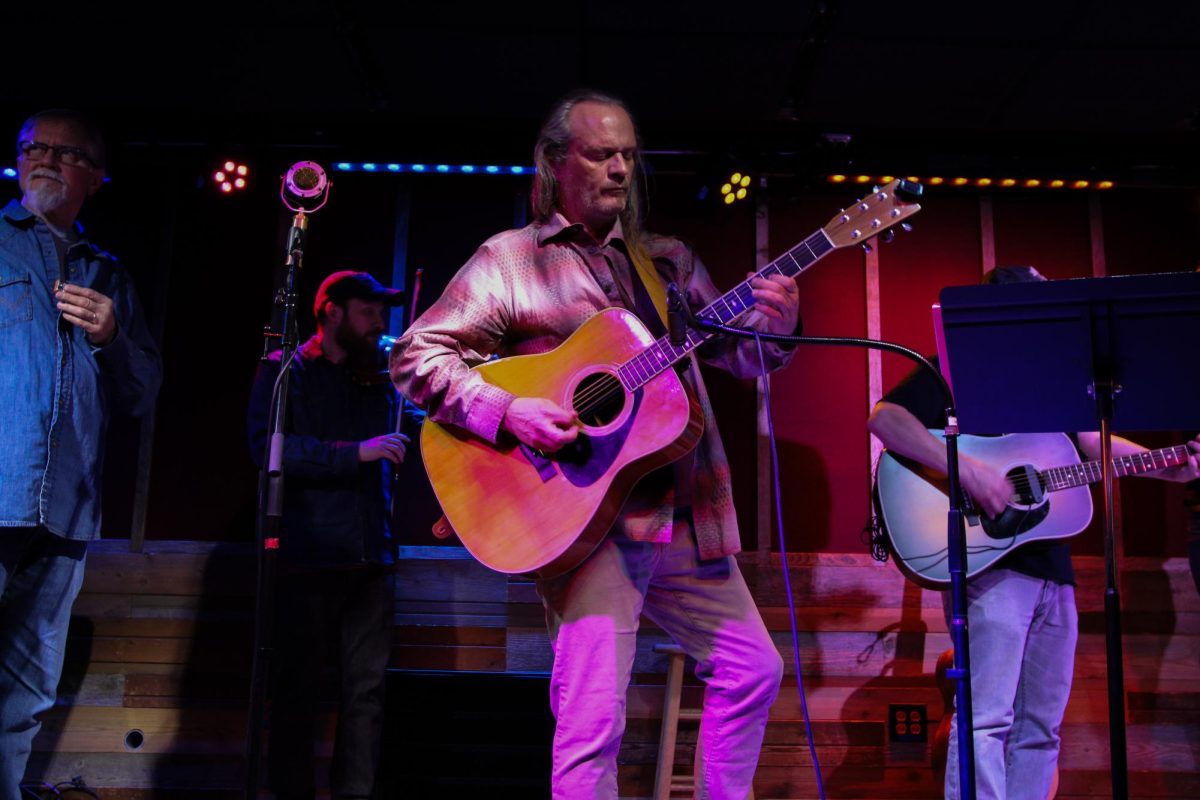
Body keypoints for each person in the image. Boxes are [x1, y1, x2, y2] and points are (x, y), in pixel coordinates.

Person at [390, 89, 799, 799]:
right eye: (601, 154)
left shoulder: (667, 262)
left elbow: (740, 359)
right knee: (593, 721)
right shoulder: (512, 260)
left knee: (752, 669)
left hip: (684, 514)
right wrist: (509, 410)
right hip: (585, 520)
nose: (619, 169)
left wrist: (780, 326)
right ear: (555, 161)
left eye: (628, 157)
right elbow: (415, 357)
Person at [866, 265, 1200, 800]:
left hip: (1055, 574)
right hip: (992, 571)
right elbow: (886, 420)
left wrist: (1173, 464)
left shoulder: (1057, 386)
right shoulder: (954, 372)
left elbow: (1098, 446)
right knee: (987, 720)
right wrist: (972, 474)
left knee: (1041, 731)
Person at [0, 109, 162, 799]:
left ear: (94, 177)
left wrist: (114, 335)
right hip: (1, 489)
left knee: (27, 690)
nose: (42, 159)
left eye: (63, 153)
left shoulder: (109, 273)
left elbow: (141, 392)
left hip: (66, 512)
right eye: (32, 147)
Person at [247, 270, 409, 800]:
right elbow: (270, 451)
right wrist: (353, 453)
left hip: (370, 560)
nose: (378, 324)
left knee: (366, 694)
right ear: (331, 312)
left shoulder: (378, 378)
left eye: (380, 313)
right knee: (297, 693)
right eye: (367, 312)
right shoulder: (285, 373)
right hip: (308, 558)